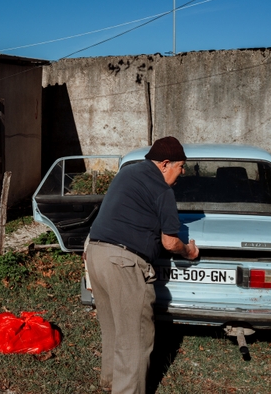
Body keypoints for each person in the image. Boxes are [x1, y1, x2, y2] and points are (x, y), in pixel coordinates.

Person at [85, 136, 199, 394]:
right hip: (124, 264)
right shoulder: (163, 190)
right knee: (135, 337)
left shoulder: (128, 174)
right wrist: (189, 251)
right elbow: (170, 243)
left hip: (96, 254)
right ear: (165, 164)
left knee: (113, 327)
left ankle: (111, 382)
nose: (182, 173)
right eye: (181, 166)